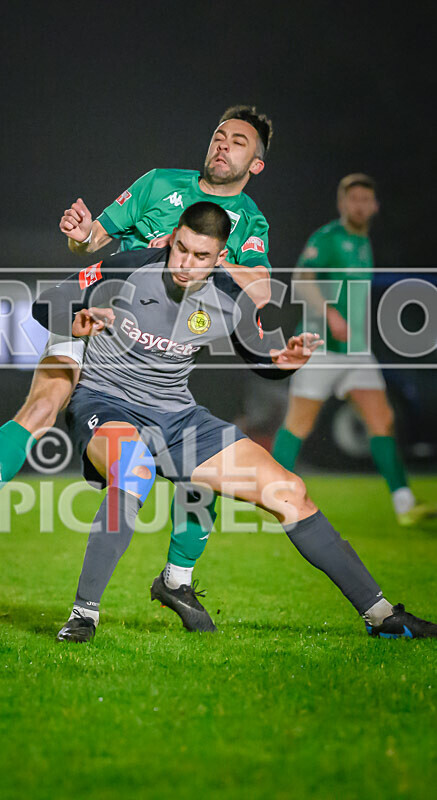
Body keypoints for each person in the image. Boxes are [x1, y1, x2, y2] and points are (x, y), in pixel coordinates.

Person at [0, 105, 276, 625]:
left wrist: (202, 259)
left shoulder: (251, 221)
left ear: (256, 163)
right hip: (94, 308)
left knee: (198, 465)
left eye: (238, 142)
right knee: (43, 402)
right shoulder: (160, 183)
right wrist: (81, 231)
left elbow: (262, 292)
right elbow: (93, 243)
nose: (223, 146)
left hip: (154, 345)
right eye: (219, 136)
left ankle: (177, 581)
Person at [32, 201, 437, 643]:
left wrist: (285, 362)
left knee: (291, 492)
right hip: (106, 401)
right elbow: (44, 306)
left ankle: (381, 616)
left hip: (176, 414)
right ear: (171, 238)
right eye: (180, 249)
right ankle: (84, 614)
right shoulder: (128, 266)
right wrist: (78, 322)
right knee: (132, 471)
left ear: (221, 256)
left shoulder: (228, 297)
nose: (185, 264)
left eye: (200, 256)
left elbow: (260, 358)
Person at [272, 174, 436, 526]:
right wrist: (330, 314)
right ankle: (273, 497)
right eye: (353, 199)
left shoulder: (364, 242)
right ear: (342, 204)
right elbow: (301, 280)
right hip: (319, 347)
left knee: (383, 420)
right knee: (299, 424)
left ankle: (405, 504)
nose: (359, 205)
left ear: (374, 206)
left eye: (366, 199)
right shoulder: (330, 237)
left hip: (357, 351)